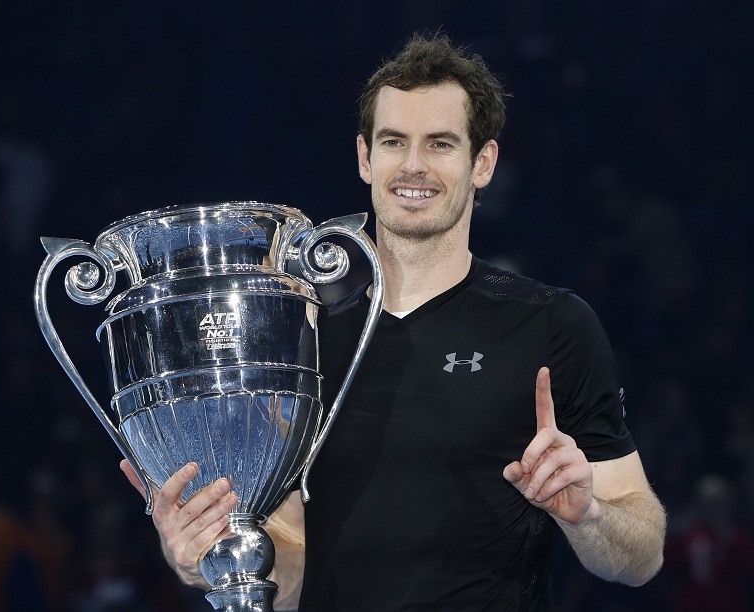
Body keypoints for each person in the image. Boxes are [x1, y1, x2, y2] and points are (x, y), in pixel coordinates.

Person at [121, 32, 666, 611]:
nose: (413, 166)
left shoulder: (552, 326)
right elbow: (295, 573)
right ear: (364, 157)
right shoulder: (304, 344)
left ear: (483, 162)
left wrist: (588, 516)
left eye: (439, 144)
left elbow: (642, 555)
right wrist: (207, 556)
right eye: (394, 141)